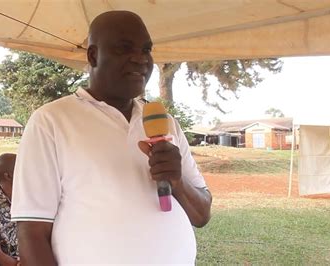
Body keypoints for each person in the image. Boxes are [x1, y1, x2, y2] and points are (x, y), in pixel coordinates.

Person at [11, 10, 213, 265]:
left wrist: (177, 181)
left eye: (146, 50)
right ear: (93, 55)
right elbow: (32, 232)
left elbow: (202, 214)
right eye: (125, 48)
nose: (141, 59)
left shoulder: (165, 123)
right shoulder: (51, 120)